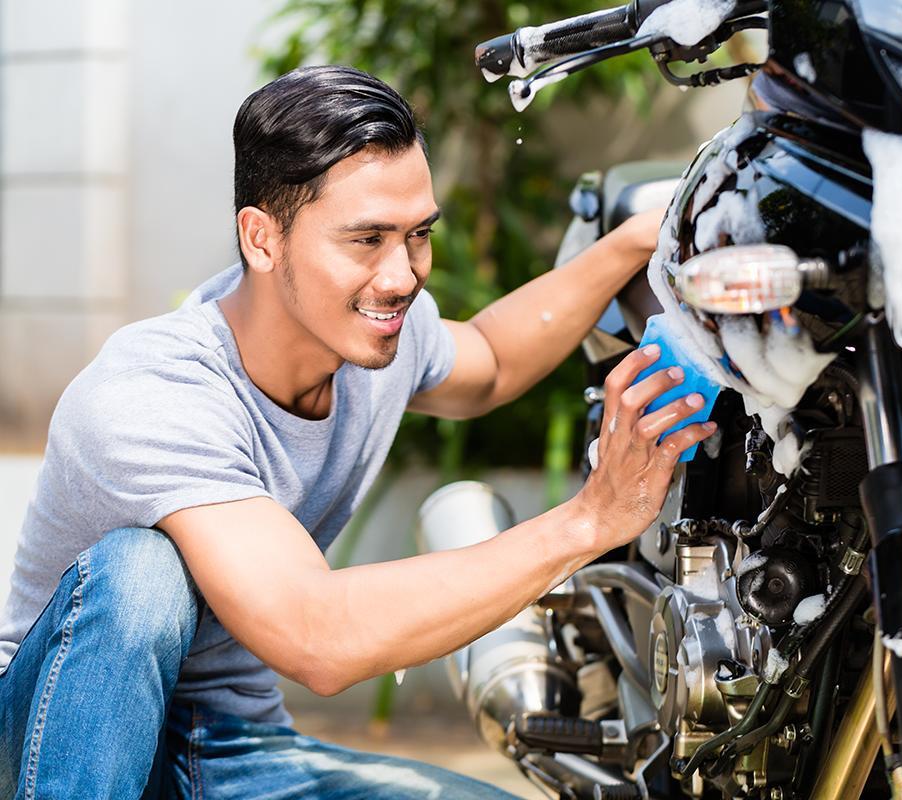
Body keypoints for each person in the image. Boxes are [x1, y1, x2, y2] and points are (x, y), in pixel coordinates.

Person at [0, 65, 714, 798]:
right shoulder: (154, 392)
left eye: (418, 235)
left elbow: (494, 358)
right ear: (261, 238)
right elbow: (319, 635)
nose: (403, 276)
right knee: (140, 573)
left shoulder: (372, 337)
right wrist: (590, 520)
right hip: (46, 743)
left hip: (221, 747)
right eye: (366, 238)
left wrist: (636, 241)